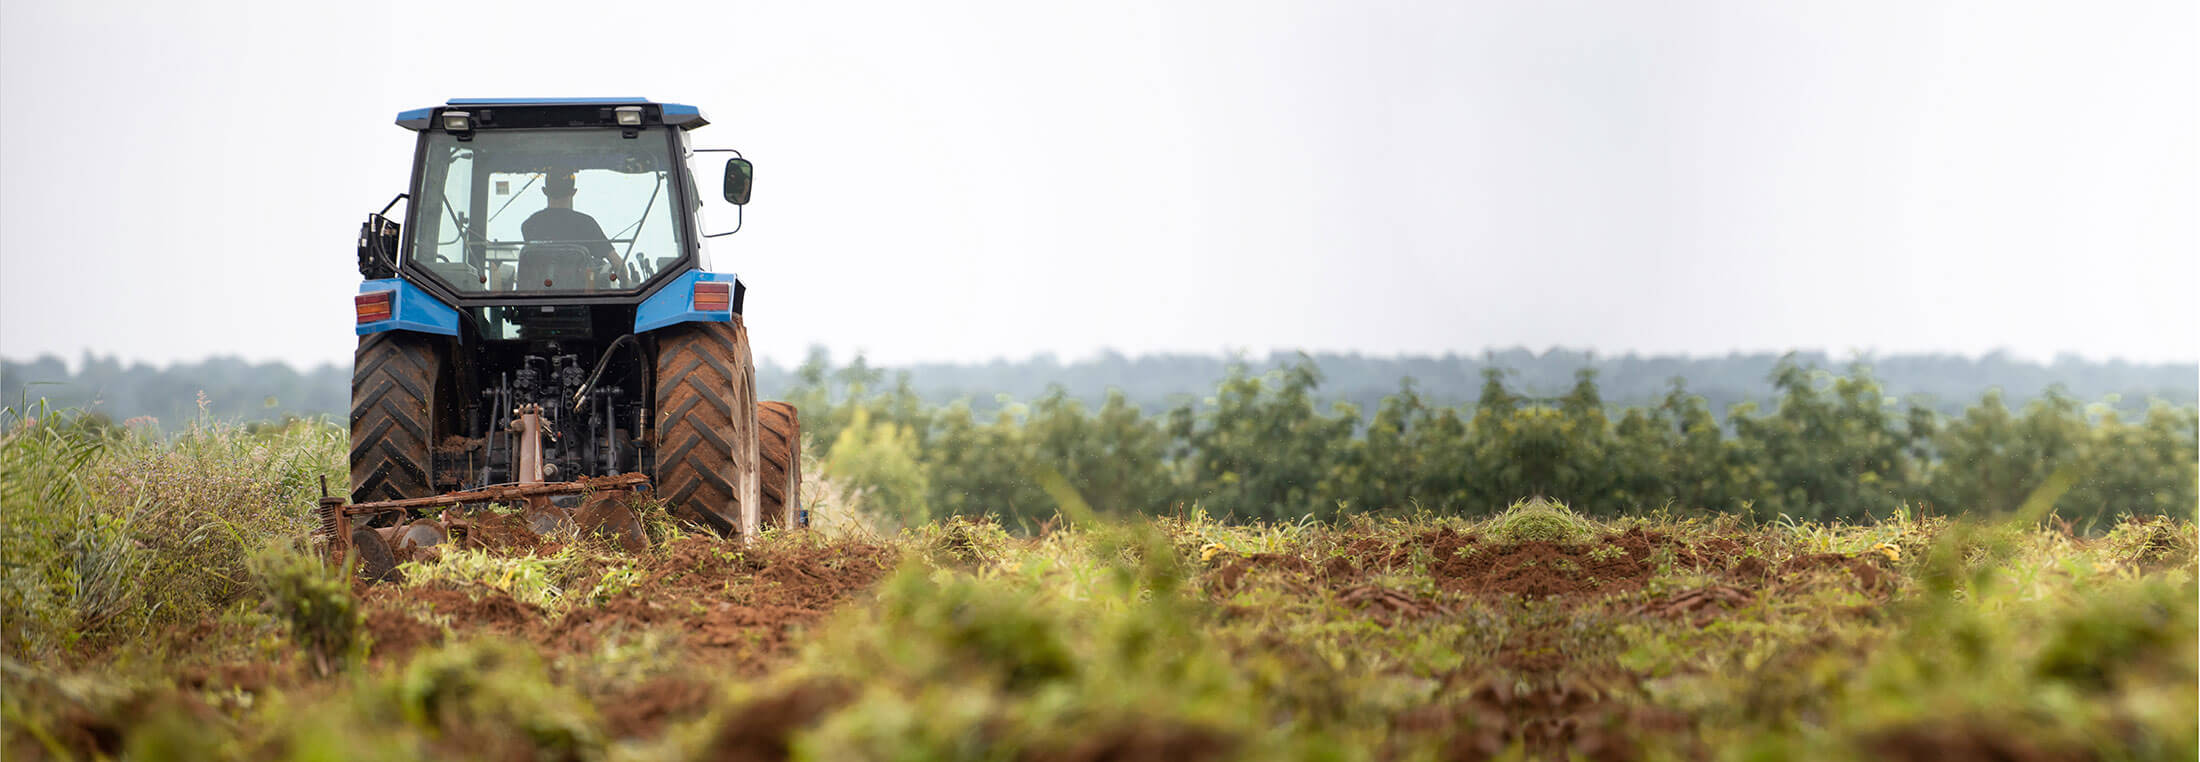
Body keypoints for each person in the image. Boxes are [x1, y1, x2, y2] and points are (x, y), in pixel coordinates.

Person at [521, 172, 620, 273]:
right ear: (574, 192)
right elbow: (617, 264)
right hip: (579, 288)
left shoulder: (529, 225)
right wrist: (626, 281)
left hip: (541, 287)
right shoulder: (587, 224)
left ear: (544, 191)